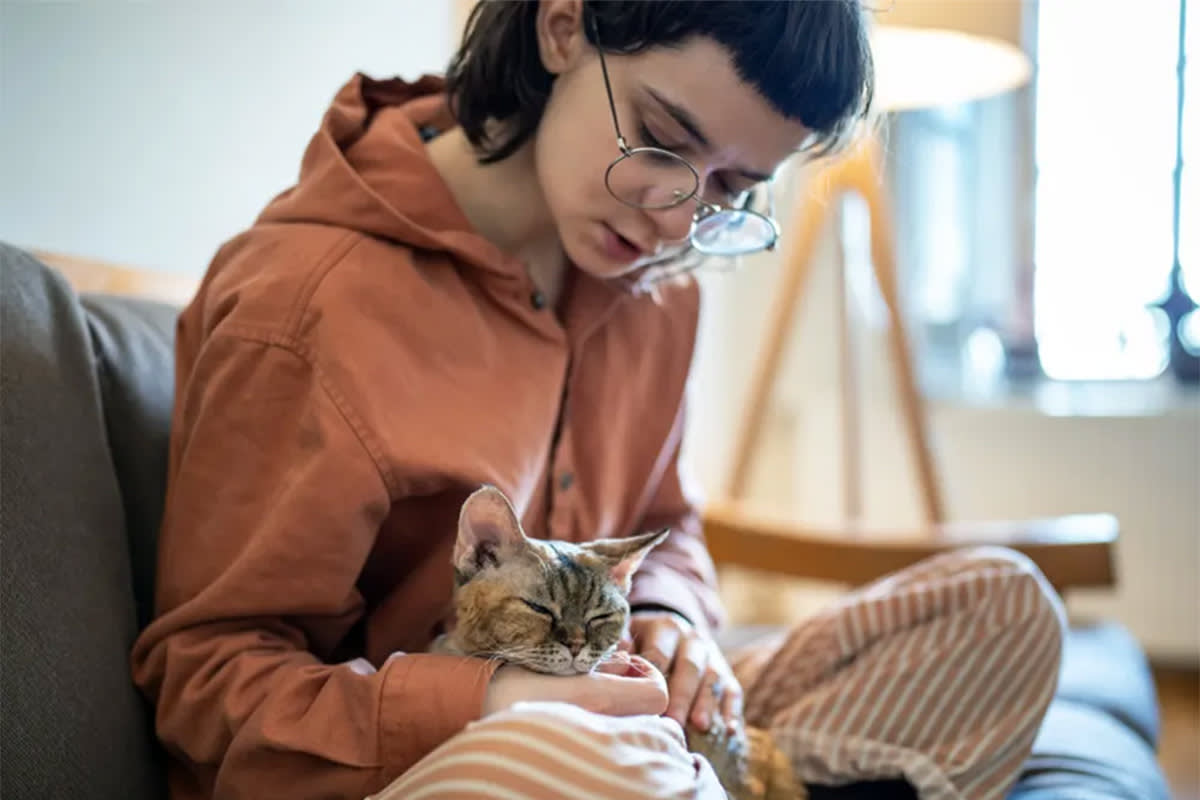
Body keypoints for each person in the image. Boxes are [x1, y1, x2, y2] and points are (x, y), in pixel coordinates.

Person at [130, 1, 1066, 799]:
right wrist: (494, 705)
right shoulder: (306, 304)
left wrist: (676, 624)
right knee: (583, 762)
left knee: (1006, 607)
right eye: (662, 139)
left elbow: (668, 525)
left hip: (627, 710)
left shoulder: (661, 293)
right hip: (443, 759)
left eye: (733, 187)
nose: (675, 219)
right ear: (562, 25)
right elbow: (206, 685)